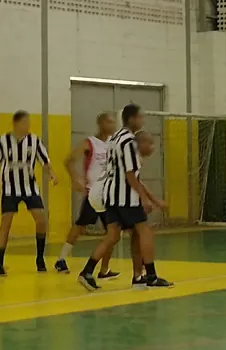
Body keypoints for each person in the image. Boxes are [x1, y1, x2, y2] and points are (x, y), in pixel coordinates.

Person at [78, 104, 171, 290]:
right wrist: (145, 199)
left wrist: (151, 198)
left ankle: (87, 272)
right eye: (140, 117)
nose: (143, 121)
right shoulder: (129, 142)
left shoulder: (114, 138)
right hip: (126, 196)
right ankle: (151, 276)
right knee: (145, 231)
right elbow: (130, 175)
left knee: (113, 235)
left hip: (110, 194)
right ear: (132, 119)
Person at [0, 110, 58, 276]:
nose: (27, 126)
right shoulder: (3, 141)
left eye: (28, 123)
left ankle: (40, 259)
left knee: (41, 219)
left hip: (30, 187)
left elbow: (45, 161)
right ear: (16, 124)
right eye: (24, 123)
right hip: (9, 188)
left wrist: (52, 174)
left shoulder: (34, 140)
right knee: (6, 222)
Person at [55, 112, 119, 277]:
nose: (113, 125)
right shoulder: (90, 143)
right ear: (101, 123)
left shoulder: (114, 144)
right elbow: (68, 160)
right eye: (109, 122)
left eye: (114, 122)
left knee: (113, 233)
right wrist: (75, 177)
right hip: (93, 193)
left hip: (109, 195)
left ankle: (104, 269)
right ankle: (61, 259)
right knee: (80, 226)